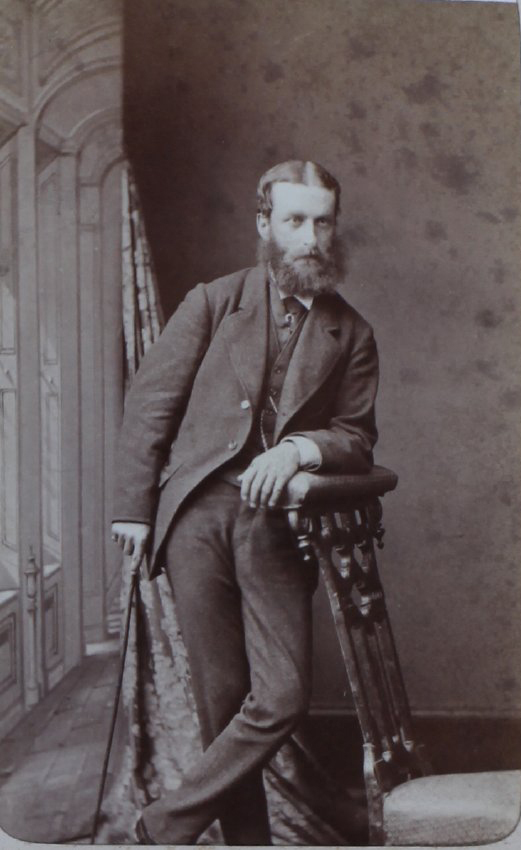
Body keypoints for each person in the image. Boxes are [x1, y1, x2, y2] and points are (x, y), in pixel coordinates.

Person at [111, 160, 379, 845]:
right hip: (196, 517)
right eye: (293, 221)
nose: (309, 237)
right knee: (222, 705)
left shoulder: (350, 334)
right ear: (264, 225)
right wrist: (134, 510)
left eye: (321, 222)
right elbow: (150, 407)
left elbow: (354, 436)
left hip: (276, 527)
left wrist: (297, 450)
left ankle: (159, 829)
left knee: (280, 697)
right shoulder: (213, 301)